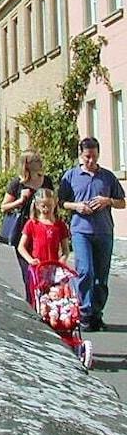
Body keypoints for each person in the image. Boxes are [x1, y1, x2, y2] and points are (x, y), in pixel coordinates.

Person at [58, 137, 126, 332]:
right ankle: (85, 312)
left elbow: (122, 202)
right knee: (85, 271)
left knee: (101, 277)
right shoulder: (71, 176)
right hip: (81, 230)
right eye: (87, 157)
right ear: (81, 155)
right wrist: (77, 206)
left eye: (94, 157)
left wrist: (107, 201)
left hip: (104, 231)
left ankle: (97, 313)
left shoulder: (107, 176)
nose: (91, 161)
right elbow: (61, 202)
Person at [0, 150, 53, 304]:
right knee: (29, 273)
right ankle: (32, 305)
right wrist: (21, 200)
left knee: (47, 272)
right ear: (27, 165)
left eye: (39, 158)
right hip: (23, 233)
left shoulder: (46, 181)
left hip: (44, 232)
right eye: (35, 160)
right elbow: (4, 207)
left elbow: (53, 204)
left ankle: (46, 306)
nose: (40, 161)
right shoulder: (17, 183)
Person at [17, 188, 70, 268]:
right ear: (37, 206)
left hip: (54, 267)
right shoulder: (32, 224)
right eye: (43, 206)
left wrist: (63, 259)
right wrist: (30, 260)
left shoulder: (60, 225)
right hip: (37, 268)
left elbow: (65, 250)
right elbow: (21, 247)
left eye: (49, 205)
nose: (46, 209)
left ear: (55, 204)